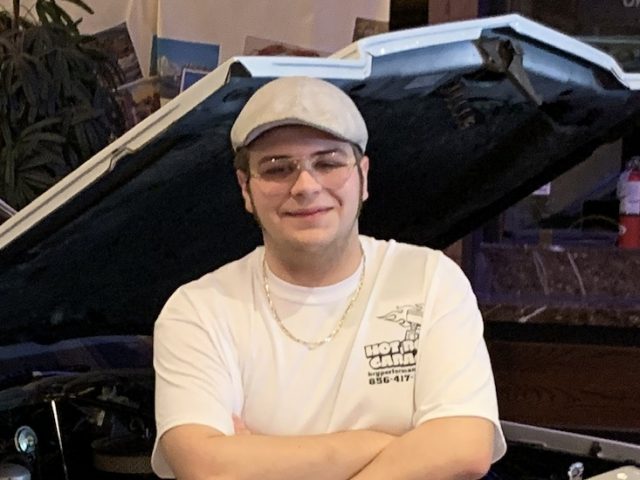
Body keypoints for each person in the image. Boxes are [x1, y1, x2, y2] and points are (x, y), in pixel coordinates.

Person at [151, 76, 507, 479]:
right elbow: (205, 468)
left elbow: (465, 448)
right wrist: (384, 445)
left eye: (328, 162)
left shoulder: (430, 280)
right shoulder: (198, 310)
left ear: (363, 177)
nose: (305, 186)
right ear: (245, 188)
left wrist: (260, 458)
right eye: (277, 168)